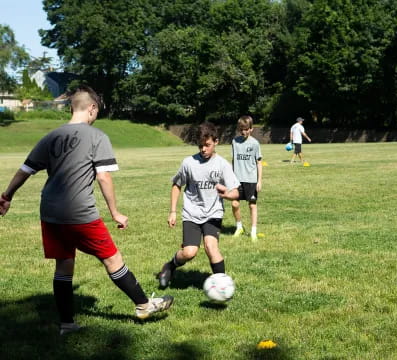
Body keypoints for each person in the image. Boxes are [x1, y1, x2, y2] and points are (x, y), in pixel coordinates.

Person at [0, 85, 173, 335]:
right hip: (80, 212)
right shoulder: (96, 136)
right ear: (91, 109)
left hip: (50, 212)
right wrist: (115, 212)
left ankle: (67, 324)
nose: (96, 117)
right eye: (97, 111)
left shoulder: (51, 137)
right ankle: (144, 305)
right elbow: (103, 177)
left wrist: (7, 196)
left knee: (63, 266)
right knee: (113, 259)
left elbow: (25, 170)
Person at [158, 122, 240, 289]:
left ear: (216, 142)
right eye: (200, 145)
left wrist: (228, 195)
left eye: (207, 145)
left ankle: (221, 287)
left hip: (213, 213)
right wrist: (172, 211)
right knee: (189, 252)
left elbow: (236, 192)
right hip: (191, 213)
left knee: (211, 246)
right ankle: (170, 266)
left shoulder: (223, 165)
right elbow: (176, 185)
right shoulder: (189, 163)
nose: (203, 149)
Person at [231, 115, 263, 242]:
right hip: (237, 180)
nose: (243, 132)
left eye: (245, 129)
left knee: (252, 205)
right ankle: (239, 227)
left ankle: (253, 231)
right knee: (234, 204)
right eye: (241, 129)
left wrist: (259, 181)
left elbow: (259, 162)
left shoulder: (255, 143)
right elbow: (234, 160)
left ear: (251, 129)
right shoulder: (234, 142)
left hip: (250, 180)